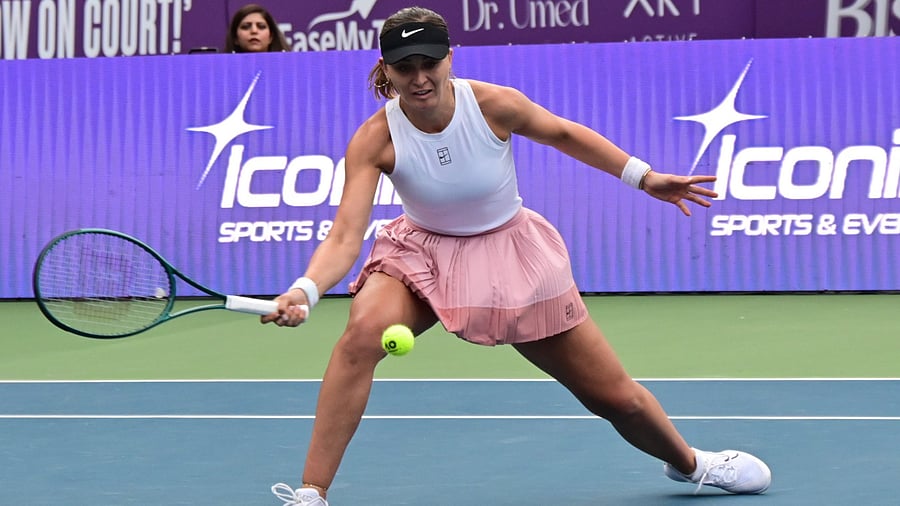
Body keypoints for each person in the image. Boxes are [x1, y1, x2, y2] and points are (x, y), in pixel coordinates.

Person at [262, 6, 772, 505]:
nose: (418, 78)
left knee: (614, 398)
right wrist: (305, 290)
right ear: (386, 69)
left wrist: (645, 177)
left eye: (429, 63)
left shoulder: (493, 105)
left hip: (510, 256)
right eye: (404, 67)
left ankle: (690, 463)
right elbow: (345, 235)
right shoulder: (375, 138)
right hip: (420, 253)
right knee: (360, 338)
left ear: (450, 58)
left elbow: (565, 134)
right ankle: (311, 493)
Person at [225, 4, 289, 53]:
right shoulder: (221, 68)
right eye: (245, 27)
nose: (254, 31)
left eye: (261, 26)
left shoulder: (288, 66)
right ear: (235, 38)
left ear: (271, 37)